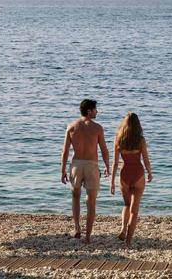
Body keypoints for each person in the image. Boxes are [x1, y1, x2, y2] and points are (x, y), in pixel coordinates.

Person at [60, 99, 110, 244]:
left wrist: (62, 170)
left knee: (75, 196)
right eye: (95, 109)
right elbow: (104, 150)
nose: (97, 111)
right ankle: (88, 236)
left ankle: (77, 228)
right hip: (91, 165)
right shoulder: (97, 128)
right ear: (89, 111)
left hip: (76, 164)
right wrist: (107, 166)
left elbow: (65, 151)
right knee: (91, 201)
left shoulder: (71, 127)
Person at [110, 112, 153, 246]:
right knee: (134, 211)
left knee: (126, 205)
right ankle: (128, 241)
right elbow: (145, 159)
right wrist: (150, 173)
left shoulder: (118, 138)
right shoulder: (140, 140)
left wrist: (112, 182)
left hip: (124, 174)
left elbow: (115, 163)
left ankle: (123, 228)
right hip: (138, 174)